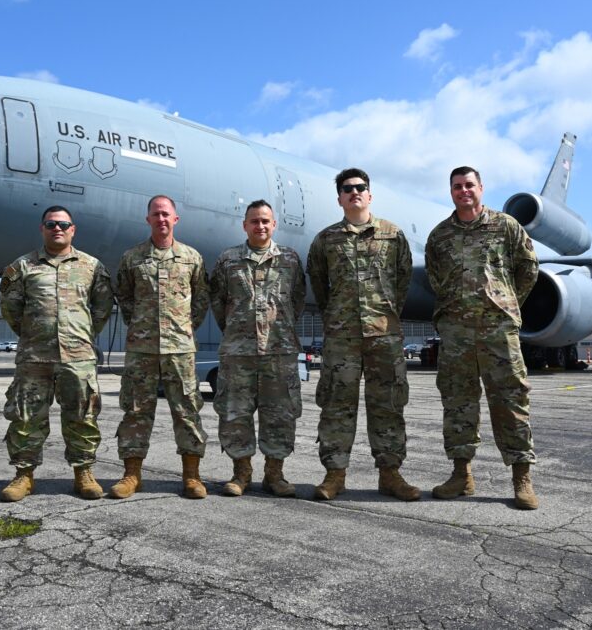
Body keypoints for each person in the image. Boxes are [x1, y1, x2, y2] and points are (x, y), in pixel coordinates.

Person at [425, 166, 540, 509]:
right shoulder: (440, 235)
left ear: (481, 188)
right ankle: (462, 475)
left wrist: (504, 302)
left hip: (497, 331)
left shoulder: (505, 226)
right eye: (457, 186)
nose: (464, 191)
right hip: (456, 332)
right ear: (451, 191)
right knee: (458, 403)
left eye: (469, 185)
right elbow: (435, 277)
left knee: (510, 401)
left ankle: (521, 476)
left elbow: (528, 269)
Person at [306, 168, 420, 502]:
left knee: (387, 404)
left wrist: (383, 315)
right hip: (342, 337)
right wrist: (338, 317)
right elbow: (319, 286)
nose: (354, 192)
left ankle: (390, 474)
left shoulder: (392, 235)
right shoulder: (325, 240)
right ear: (339, 197)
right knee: (336, 405)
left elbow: (401, 284)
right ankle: (334, 474)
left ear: (369, 194)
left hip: (383, 336)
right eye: (347, 188)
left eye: (361, 187)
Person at [0, 206, 114, 501]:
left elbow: (101, 310)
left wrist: (81, 335)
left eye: (63, 224)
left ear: (73, 229)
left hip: (78, 357)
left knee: (82, 416)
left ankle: (83, 473)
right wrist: (34, 335)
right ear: (43, 229)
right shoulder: (23, 266)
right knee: (26, 418)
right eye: (51, 223)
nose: (57, 228)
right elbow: (11, 310)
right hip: (35, 358)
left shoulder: (92, 267)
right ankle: (23, 475)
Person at [110, 195, 210, 499]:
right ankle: (131, 475)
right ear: (148, 219)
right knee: (136, 410)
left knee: (187, 411)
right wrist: (141, 325)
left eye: (166, 214)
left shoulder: (192, 258)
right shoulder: (132, 258)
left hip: (180, 348)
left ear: (175, 219)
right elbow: (125, 299)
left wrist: (183, 328)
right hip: (142, 349)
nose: (161, 219)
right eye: (156, 214)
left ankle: (192, 476)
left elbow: (201, 300)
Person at [209, 200, 306, 497]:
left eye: (265, 221)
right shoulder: (228, 260)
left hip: (279, 351)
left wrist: (280, 330)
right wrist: (238, 332)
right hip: (239, 353)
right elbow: (218, 303)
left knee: (280, 414)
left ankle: (275, 475)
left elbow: (297, 300)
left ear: (274, 224)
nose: (260, 226)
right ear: (245, 225)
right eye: (254, 221)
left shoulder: (289, 259)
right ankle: (241, 473)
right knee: (235, 413)